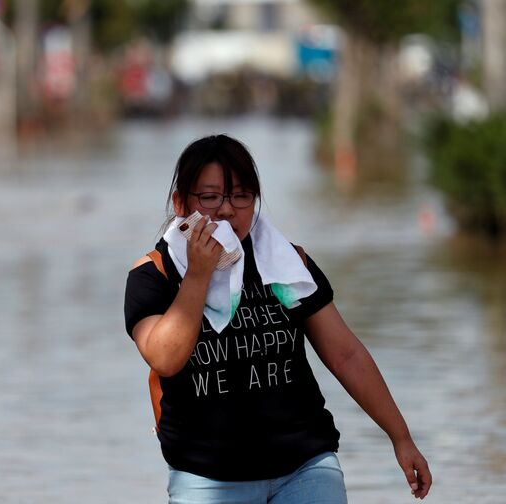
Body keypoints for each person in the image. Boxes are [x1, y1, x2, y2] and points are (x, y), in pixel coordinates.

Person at [123, 134, 431, 503]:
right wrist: (198, 276)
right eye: (209, 197)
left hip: (305, 466)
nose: (225, 211)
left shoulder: (286, 265)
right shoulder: (155, 274)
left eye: (241, 196)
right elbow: (165, 358)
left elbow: (345, 354)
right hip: (206, 477)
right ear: (180, 203)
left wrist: (401, 436)